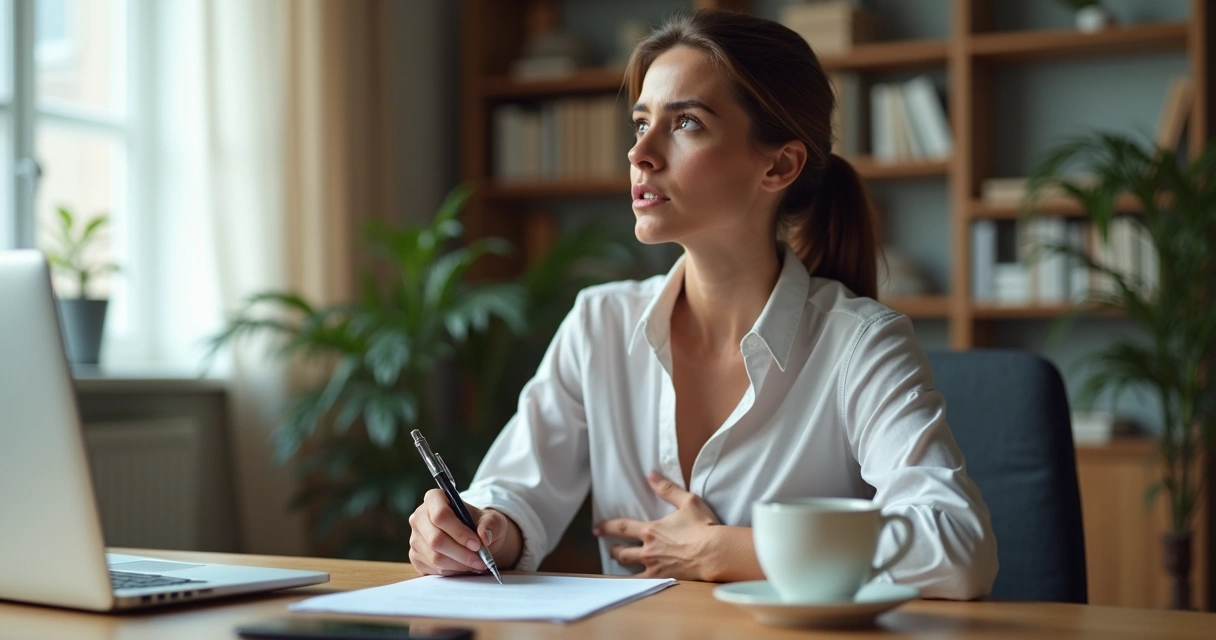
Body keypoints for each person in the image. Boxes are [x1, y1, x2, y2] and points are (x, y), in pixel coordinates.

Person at [408, 9, 998, 599]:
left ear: (779, 164)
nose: (641, 153)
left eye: (685, 122)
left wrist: (728, 548)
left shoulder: (860, 341)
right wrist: (479, 532)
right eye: (641, 123)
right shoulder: (601, 322)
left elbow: (957, 546)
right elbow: (516, 496)